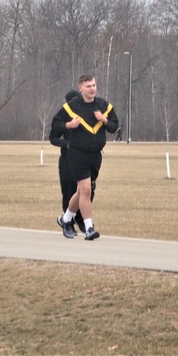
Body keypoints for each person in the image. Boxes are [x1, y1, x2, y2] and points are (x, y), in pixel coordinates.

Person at [53, 74, 118, 241]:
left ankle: (66, 219)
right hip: (77, 154)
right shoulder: (70, 107)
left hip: (95, 156)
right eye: (88, 86)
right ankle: (89, 227)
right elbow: (55, 127)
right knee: (86, 189)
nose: (92, 89)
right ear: (80, 87)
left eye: (94, 85)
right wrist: (69, 125)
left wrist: (103, 119)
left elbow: (114, 126)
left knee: (81, 190)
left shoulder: (104, 105)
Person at [49, 89, 90, 235]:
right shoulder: (64, 118)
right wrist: (65, 143)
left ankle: (82, 220)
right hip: (67, 158)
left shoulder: (87, 115)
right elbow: (53, 137)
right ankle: (68, 223)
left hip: (84, 158)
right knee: (68, 190)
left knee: (86, 190)